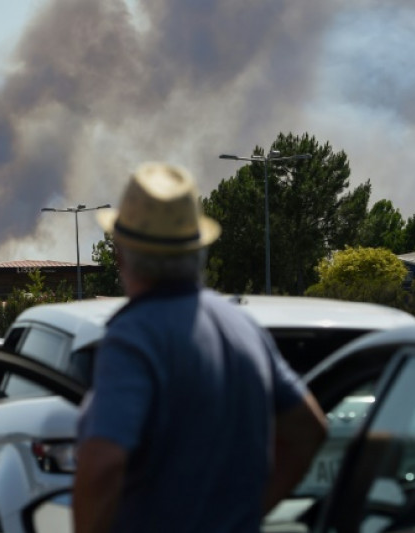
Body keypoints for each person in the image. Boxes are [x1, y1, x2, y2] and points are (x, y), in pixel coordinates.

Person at [72, 163, 327, 533]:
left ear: (121, 254)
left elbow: (102, 465)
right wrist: (251, 512)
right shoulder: (242, 326)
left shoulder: (134, 336)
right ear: (198, 251)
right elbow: (308, 428)